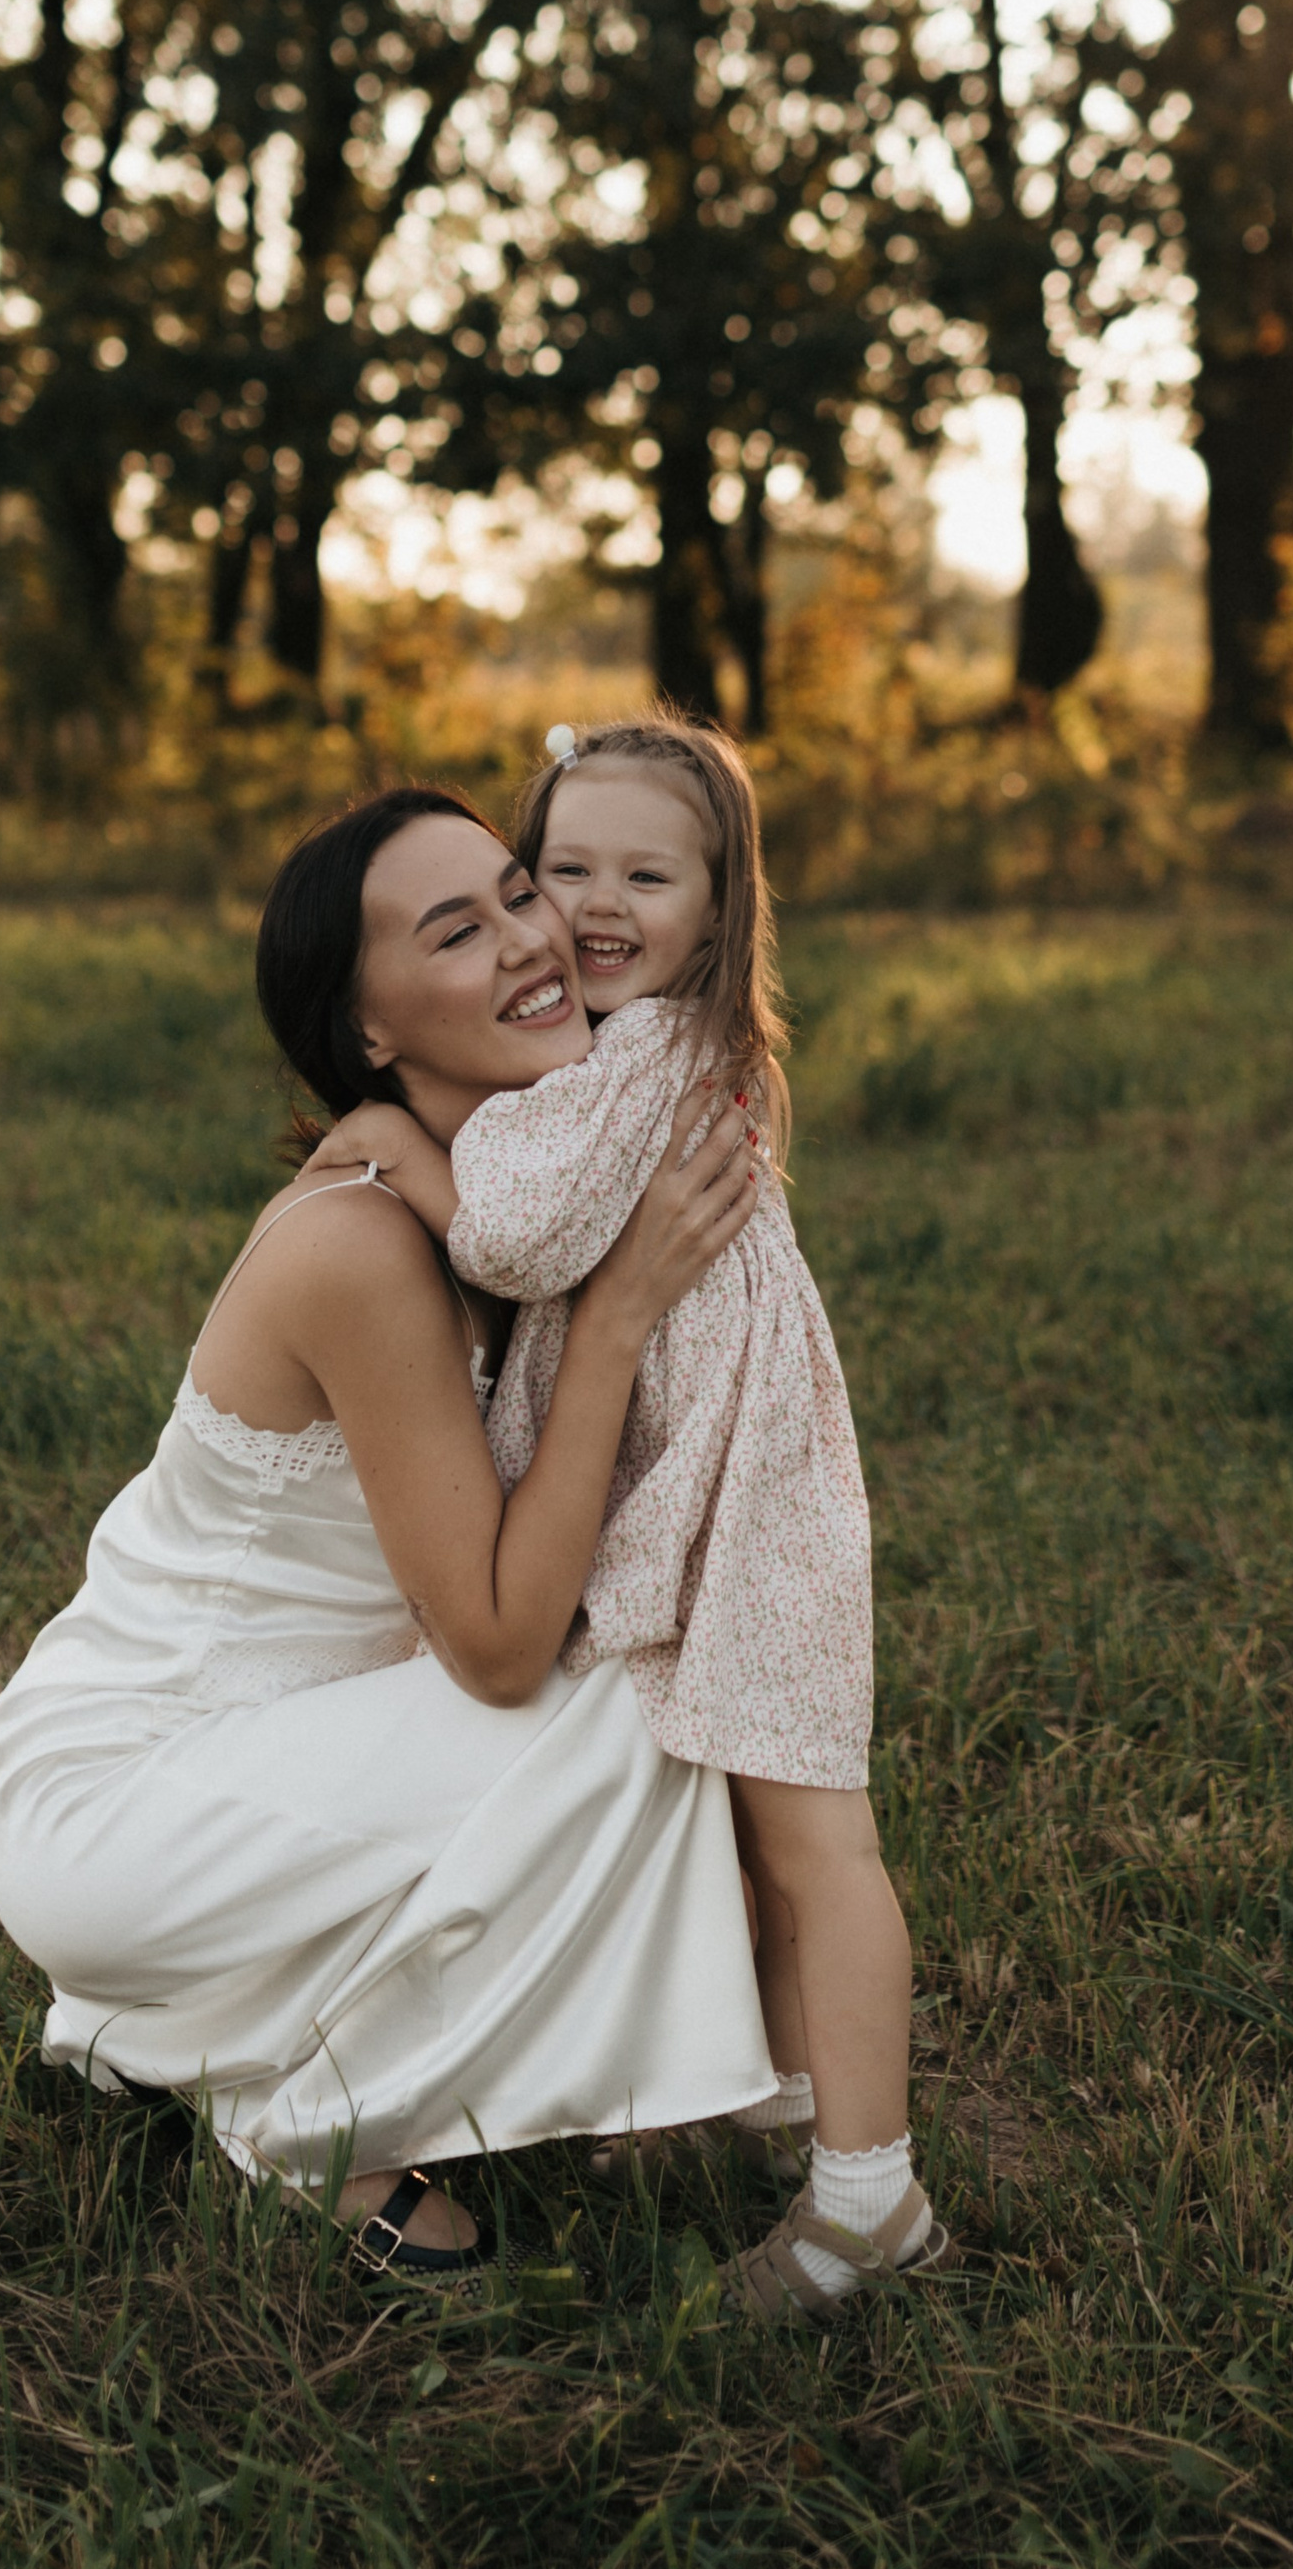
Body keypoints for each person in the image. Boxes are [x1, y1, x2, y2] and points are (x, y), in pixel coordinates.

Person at [0, 784, 775, 2279]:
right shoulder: (361, 1244)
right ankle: (306, 2114)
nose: (536, 939)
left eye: (517, 891)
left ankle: (162, 2026)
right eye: (456, 930)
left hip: (265, 1757)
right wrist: (611, 1326)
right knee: (631, 1693)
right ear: (372, 1033)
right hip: (120, 1800)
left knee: (646, 1664)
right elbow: (491, 1646)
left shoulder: (512, 1195)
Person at [300, 711, 949, 2324]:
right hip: (716, 1482)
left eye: (643, 873)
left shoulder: (650, 1047)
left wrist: (402, 1146)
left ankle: (872, 2204)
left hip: (757, 1508)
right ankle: (777, 2109)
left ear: (718, 913)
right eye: (559, 867)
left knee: (816, 1843)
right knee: (741, 1831)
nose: (594, 903)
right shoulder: (634, 1046)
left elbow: (514, 1238)